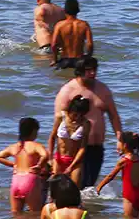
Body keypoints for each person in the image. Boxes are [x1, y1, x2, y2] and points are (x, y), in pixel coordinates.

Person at [54, 57, 123, 188]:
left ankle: (87, 209)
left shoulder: (103, 89)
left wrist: (119, 138)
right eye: (88, 70)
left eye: (94, 69)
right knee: (72, 188)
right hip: (75, 149)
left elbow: (113, 116)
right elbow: (59, 123)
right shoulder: (67, 91)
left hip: (96, 148)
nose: (93, 73)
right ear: (79, 71)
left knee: (88, 187)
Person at [0, 117, 48, 214]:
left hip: (16, 180)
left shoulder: (15, 146)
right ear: (33, 131)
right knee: (35, 213)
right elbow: (45, 155)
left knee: (16, 214)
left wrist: (13, 164)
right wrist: (39, 165)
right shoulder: (35, 145)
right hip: (30, 179)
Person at [96, 132, 139, 217]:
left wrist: (99, 186)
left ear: (124, 145)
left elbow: (111, 176)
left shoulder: (124, 161)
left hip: (129, 196)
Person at [48, 95, 91, 187]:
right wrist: (50, 158)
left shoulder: (86, 124)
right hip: (58, 159)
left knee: (74, 189)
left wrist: (71, 166)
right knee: (54, 188)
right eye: (75, 114)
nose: (77, 118)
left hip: (75, 161)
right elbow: (52, 137)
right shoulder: (60, 117)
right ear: (70, 110)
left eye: (81, 115)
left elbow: (83, 147)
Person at [51, 0, 94, 70]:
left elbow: (54, 44)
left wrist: (54, 59)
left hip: (65, 60)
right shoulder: (84, 25)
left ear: (65, 10)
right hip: (79, 60)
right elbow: (89, 44)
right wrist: (88, 57)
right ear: (78, 10)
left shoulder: (59, 25)